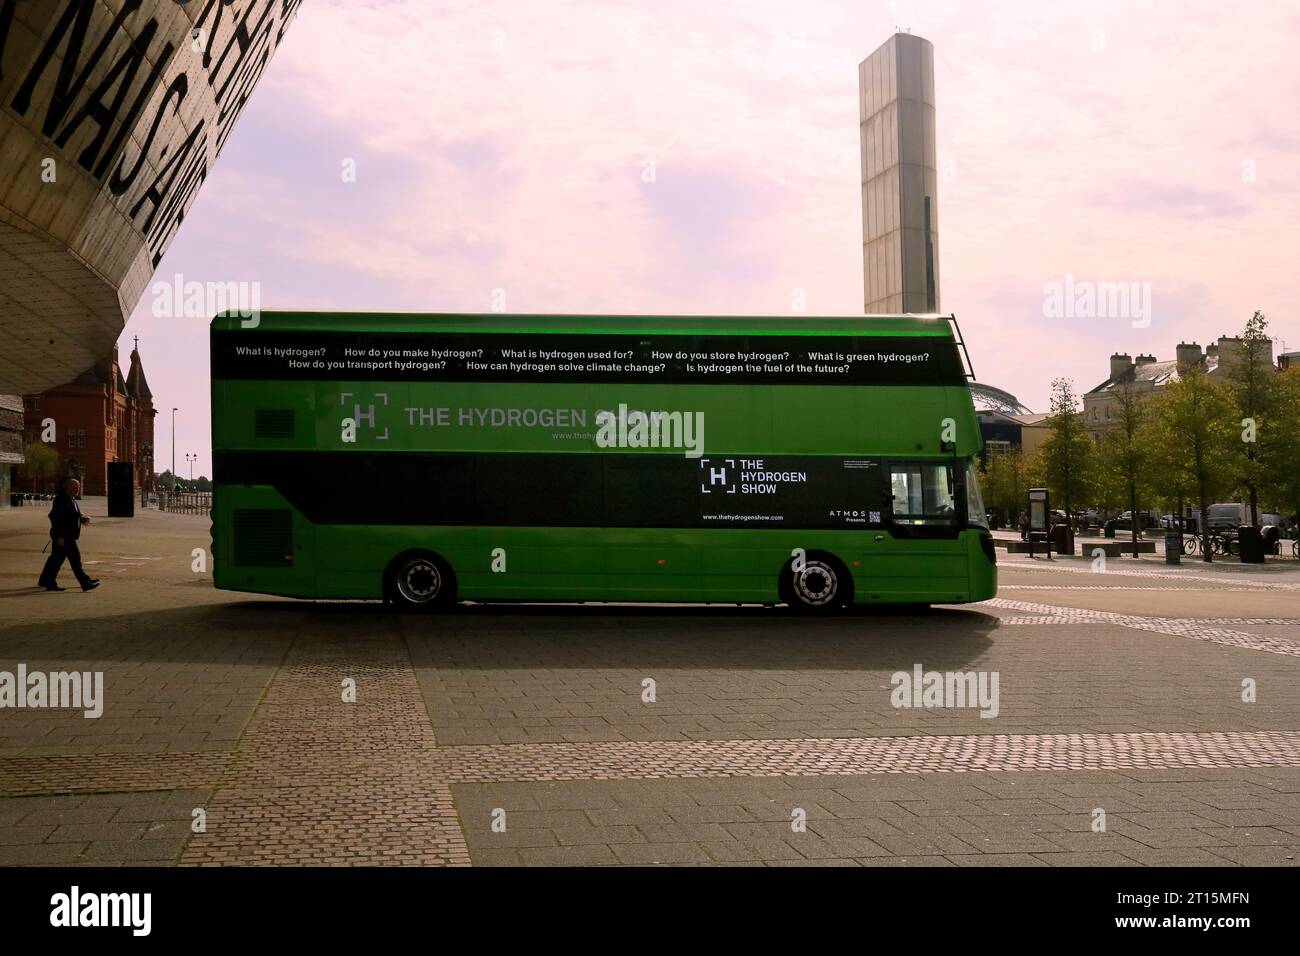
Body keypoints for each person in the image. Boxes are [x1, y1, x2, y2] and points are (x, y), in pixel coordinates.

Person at [37, 477, 100, 592]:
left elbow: (71, 515)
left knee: (55, 560)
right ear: (65, 486)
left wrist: (81, 518)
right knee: (75, 560)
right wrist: (60, 536)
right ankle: (84, 583)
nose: (77, 489)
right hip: (64, 535)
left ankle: (46, 580)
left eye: (78, 487)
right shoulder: (61, 499)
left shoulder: (71, 499)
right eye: (74, 486)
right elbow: (57, 518)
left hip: (67, 535)